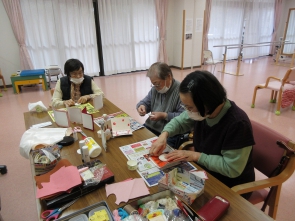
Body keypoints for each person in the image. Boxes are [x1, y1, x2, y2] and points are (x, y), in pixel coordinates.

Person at [149, 70, 255, 199]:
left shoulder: (237, 124)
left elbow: (231, 168)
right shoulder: (204, 111)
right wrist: (163, 135)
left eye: (190, 107)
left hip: (230, 184)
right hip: (205, 172)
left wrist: (195, 155)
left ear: (207, 103)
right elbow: (180, 121)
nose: (188, 111)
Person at [136, 62, 186, 148]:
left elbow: (184, 117)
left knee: (158, 152)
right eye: (153, 84)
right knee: (136, 141)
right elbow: (145, 102)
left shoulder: (182, 91)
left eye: (158, 84)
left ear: (169, 77)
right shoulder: (155, 89)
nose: (156, 87)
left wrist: (165, 115)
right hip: (151, 126)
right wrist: (142, 106)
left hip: (171, 134)